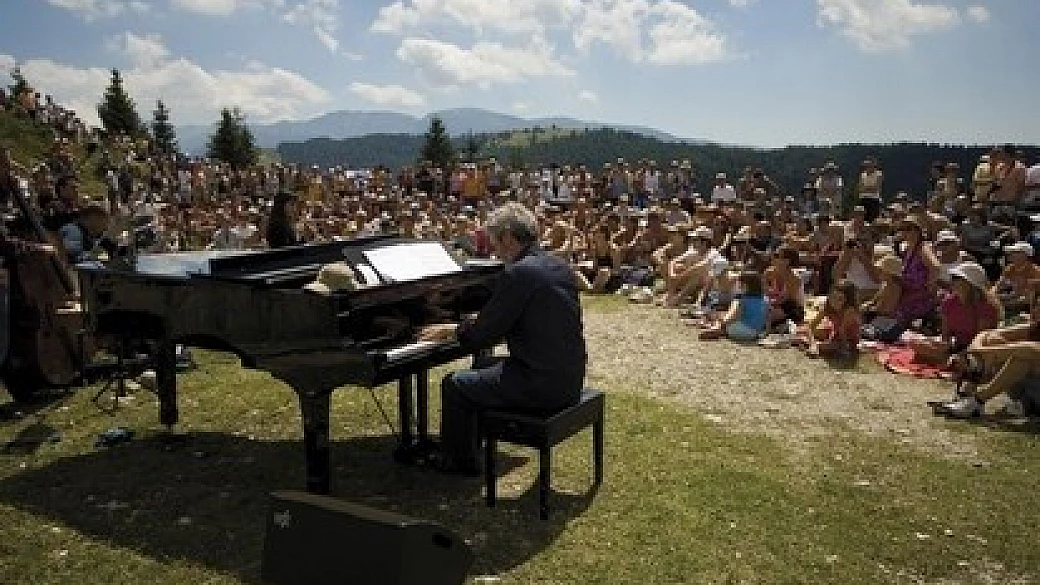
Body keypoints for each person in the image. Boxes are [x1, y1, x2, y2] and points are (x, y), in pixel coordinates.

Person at [418, 202, 587, 474]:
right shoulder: (555, 265)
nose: (493, 250)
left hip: (541, 384)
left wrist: (455, 329)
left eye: (494, 241)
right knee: (482, 368)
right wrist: (473, 323)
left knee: (455, 384)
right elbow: (514, 318)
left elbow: (482, 336)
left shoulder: (518, 273)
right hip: (568, 375)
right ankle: (470, 443)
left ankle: (460, 462)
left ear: (508, 237)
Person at [698, 270, 768, 341]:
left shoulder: (740, 299)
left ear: (745, 285)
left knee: (720, 318)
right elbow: (767, 318)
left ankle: (718, 329)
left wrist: (721, 322)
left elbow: (734, 316)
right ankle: (718, 329)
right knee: (722, 315)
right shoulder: (765, 299)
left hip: (740, 330)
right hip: (755, 332)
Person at [804, 280, 861, 359]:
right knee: (809, 332)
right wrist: (813, 343)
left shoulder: (849, 311)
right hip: (835, 333)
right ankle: (812, 345)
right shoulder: (827, 306)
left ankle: (812, 345)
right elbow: (810, 326)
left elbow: (842, 334)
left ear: (847, 300)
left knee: (828, 345)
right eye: (833, 297)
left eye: (840, 299)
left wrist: (817, 344)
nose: (834, 302)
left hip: (848, 339)